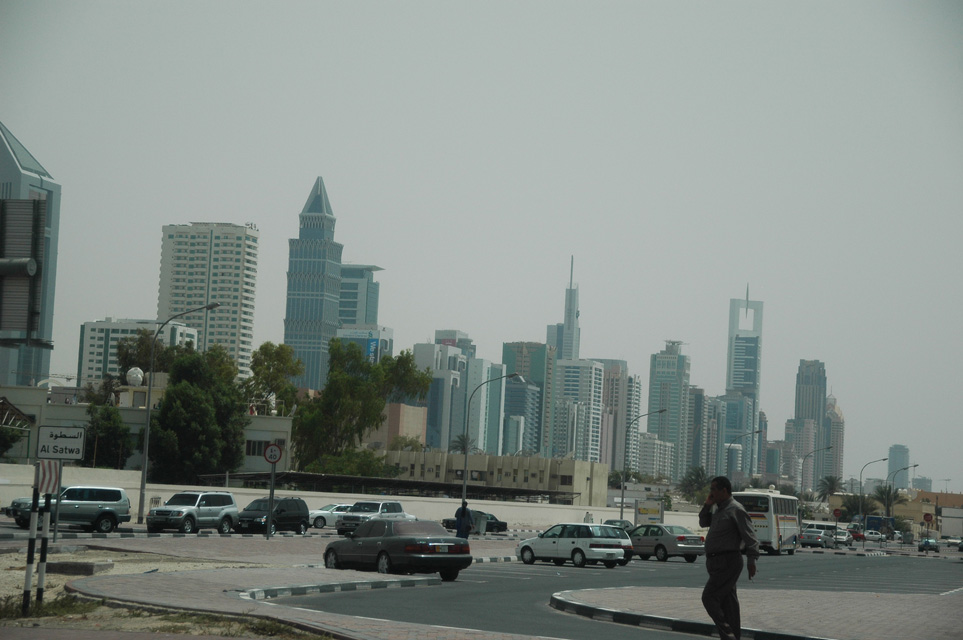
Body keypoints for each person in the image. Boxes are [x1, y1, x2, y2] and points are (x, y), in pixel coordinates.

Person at [698, 476, 759, 640]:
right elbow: (703, 523)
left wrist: (751, 561)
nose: (711, 493)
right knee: (729, 604)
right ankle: (734, 636)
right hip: (715, 562)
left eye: (713, 489)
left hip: (728, 561)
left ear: (724, 490)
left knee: (709, 597)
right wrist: (707, 505)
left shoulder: (736, 509)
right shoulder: (719, 509)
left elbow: (750, 538)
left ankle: (728, 635)